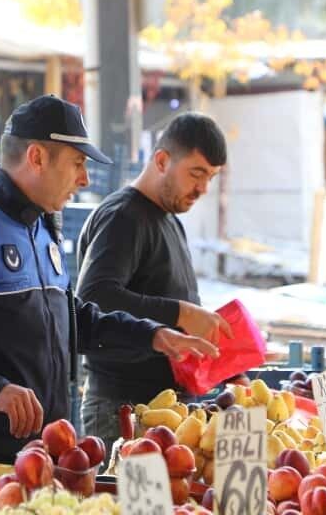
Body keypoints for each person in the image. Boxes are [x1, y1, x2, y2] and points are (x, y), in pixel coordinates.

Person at [0, 95, 223, 485]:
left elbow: (74, 320)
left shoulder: (44, 227)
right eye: (77, 163)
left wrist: (153, 335)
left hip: (41, 454)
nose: (85, 179)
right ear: (37, 157)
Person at [76, 111, 231, 449]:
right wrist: (181, 313)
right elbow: (94, 297)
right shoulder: (123, 217)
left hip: (171, 410)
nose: (203, 188)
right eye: (196, 173)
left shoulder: (170, 219)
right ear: (162, 161)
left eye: (211, 177)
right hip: (124, 411)